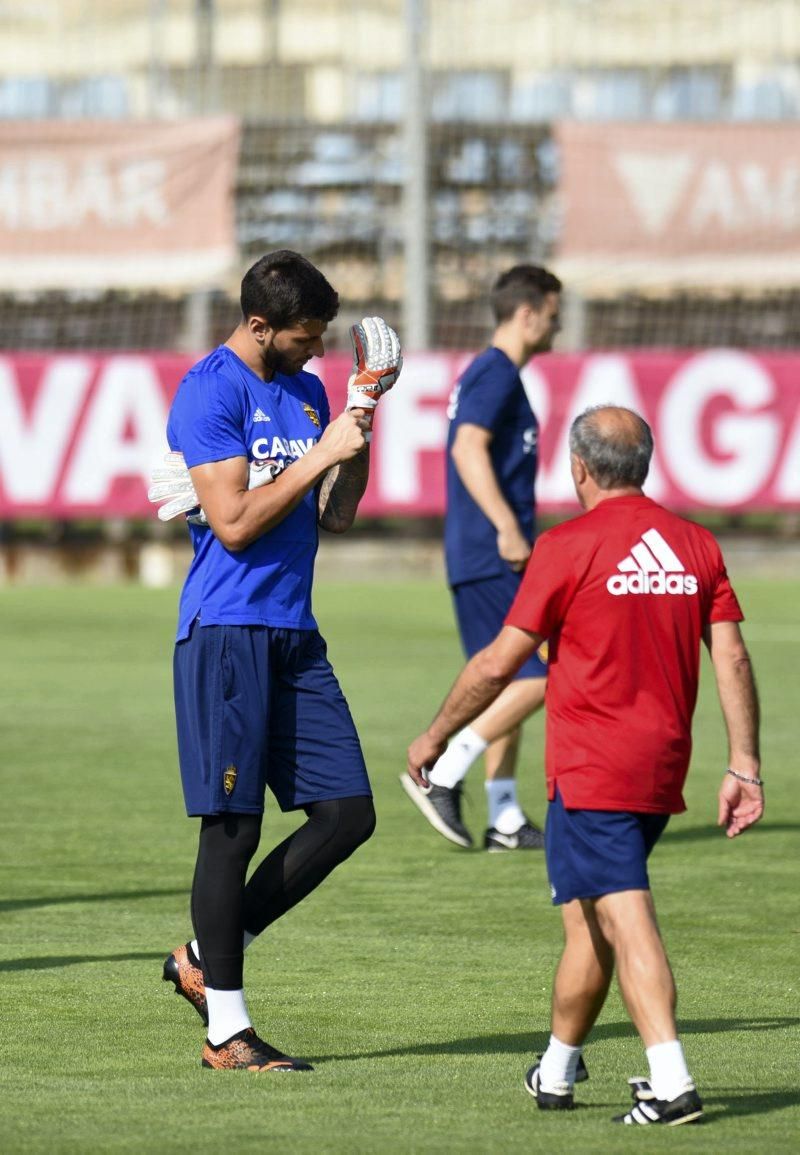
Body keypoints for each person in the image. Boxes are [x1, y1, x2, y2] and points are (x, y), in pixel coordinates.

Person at [407, 405, 763, 1125]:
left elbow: (500, 660)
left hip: (592, 767)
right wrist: (745, 764)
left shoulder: (567, 547)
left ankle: (671, 1080)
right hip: (660, 767)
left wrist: (440, 735)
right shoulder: (696, 544)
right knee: (589, 923)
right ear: (646, 464)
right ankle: (558, 1070)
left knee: (625, 915)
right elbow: (730, 653)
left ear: (578, 468)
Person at [150, 250, 402, 1071]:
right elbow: (233, 523)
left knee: (348, 814)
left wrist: (357, 426)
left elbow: (339, 515)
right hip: (227, 630)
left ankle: (203, 954)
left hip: (294, 632)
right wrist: (321, 452)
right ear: (259, 326)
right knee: (232, 830)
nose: (318, 352)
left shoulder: (308, 388)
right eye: (304, 337)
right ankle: (227, 1029)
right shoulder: (210, 389)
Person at [400, 264, 562, 851]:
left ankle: (505, 818)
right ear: (527, 313)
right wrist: (506, 528)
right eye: (552, 312)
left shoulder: (497, 374)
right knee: (545, 674)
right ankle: (442, 770)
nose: (558, 324)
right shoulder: (494, 373)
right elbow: (467, 447)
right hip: (492, 553)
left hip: (482, 554)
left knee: (508, 682)